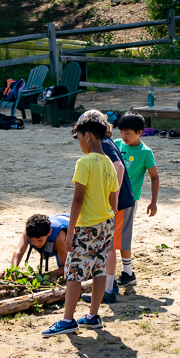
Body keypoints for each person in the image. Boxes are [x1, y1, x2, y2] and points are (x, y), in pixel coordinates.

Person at [42, 110, 119, 336]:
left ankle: (68, 320)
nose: (79, 144)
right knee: (99, 269)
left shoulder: (84, 162)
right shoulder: (108, 163)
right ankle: (93, 315)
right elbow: (113, 198)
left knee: (74, 272)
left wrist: (72, 229)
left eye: (78, 138)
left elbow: (78, 198)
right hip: (106, 223)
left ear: (87, 136)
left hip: (87, 226)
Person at [80, 118, 136, 305]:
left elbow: (118, 166)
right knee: (112, 244)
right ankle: (110, 284)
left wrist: (115, 195)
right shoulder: (107, 142)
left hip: (121, 202)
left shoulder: (104, 143)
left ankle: (108, 290)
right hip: (123, 201)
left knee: (110, 245)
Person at [113, 111, 160, 288]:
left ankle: (127, 272)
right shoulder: (116, 145)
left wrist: (153, 201)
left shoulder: (145, 152)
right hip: (111, 197)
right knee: (110, 236)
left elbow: (154, 177)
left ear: (140, 132)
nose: (124, 136)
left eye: (128, 133)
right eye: (122, 132)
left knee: (124, 236)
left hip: (128, 200)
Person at [11, 213, 69, 278]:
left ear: (49, 233)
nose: (37, 244)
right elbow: (19, 251)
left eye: (40, 240)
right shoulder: (29, 230)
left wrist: (45, 276)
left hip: (71, 226)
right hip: (56, 219)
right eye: (32, 241)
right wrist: (13, 270)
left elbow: (66, 267)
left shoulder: (59, 237)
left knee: (68, 270)